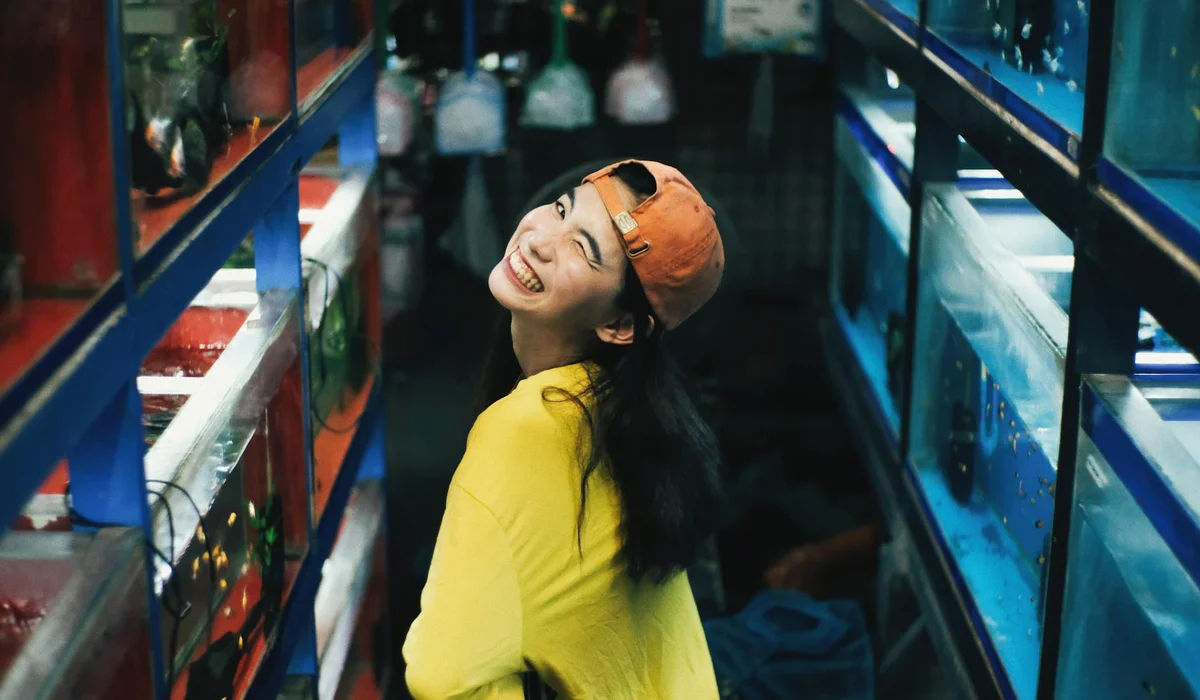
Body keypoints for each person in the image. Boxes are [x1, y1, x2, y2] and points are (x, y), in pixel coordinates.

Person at [403, 160, 727, 699]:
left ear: (621, 326)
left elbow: (441, 678)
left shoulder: (526, 431)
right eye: (561, 209)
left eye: (583, 248)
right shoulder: (625, 415)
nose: (540, 238)